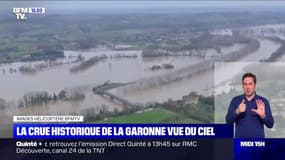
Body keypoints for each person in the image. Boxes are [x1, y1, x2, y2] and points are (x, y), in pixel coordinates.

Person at [226, 72, 274, 138]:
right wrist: (237, 111)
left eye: (250, 84)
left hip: (258, 144)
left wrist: (263, 116)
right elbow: (228, 122)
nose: (247, 87)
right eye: (245, 84)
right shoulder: (235, 101)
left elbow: (270, 124)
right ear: (242, 86)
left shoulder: (263, 102)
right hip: (241, 144)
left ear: (255, 85)